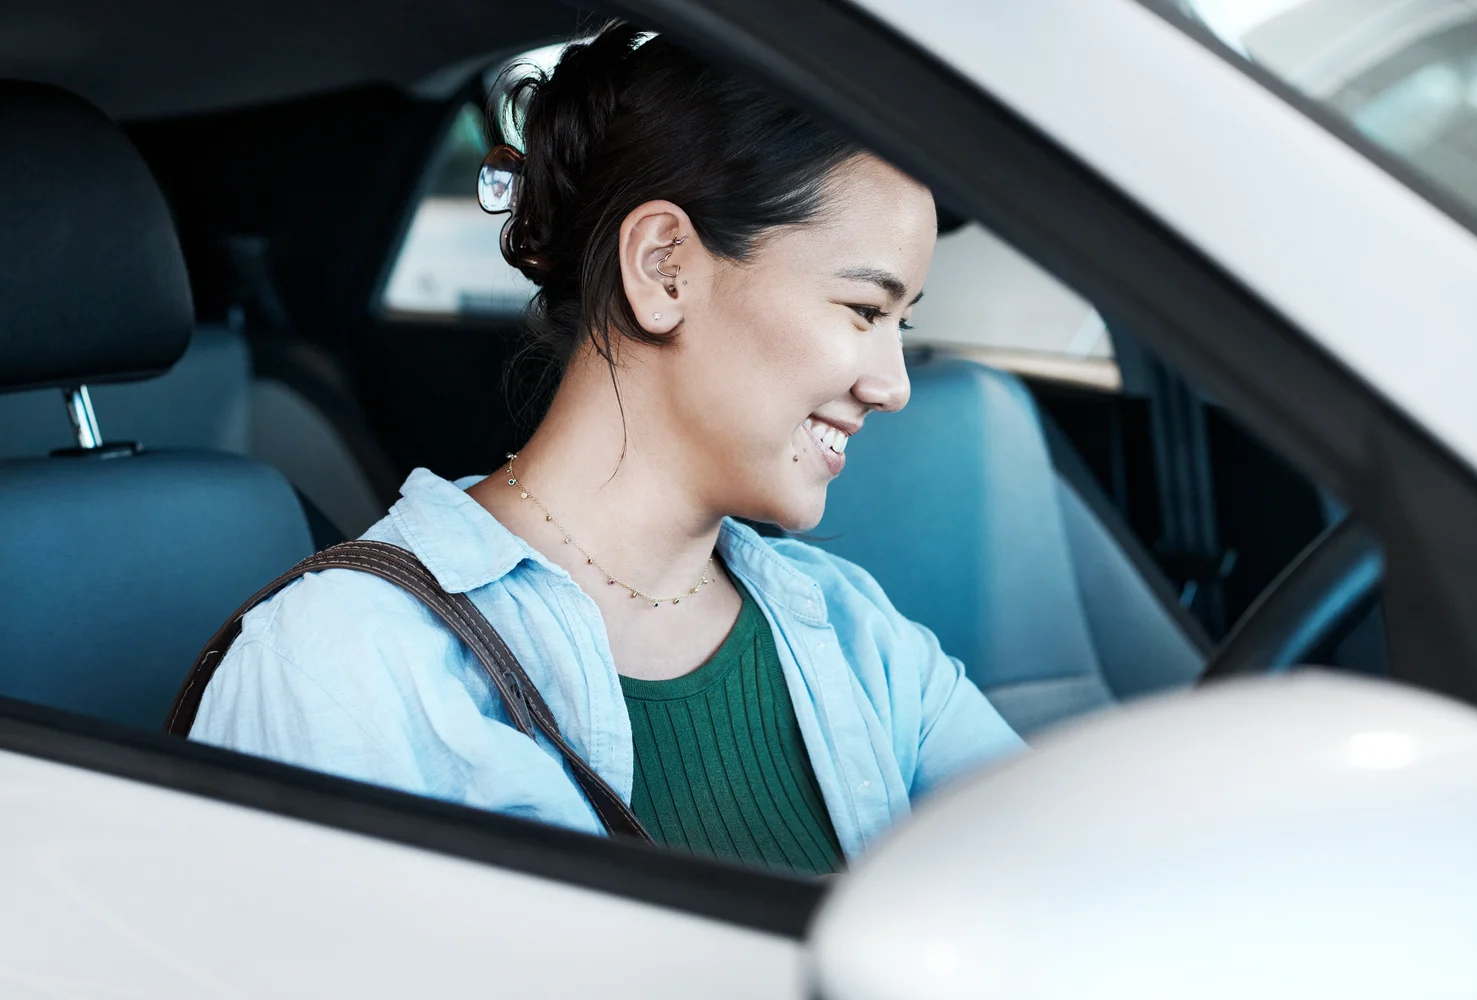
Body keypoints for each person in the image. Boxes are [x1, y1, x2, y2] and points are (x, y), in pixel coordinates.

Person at [191, 21, 1025, 876]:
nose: (895, 385)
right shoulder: (341, 666)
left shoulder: (854, 629)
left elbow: (1056, 879)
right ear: (664, 269)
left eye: (904, 322)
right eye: (863, 311)